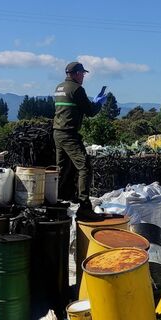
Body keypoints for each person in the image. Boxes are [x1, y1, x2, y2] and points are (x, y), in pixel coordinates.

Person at [53, 61, 107, 221]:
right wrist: (98, 104)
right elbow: (90, 111)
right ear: (76, 73)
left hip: (57, 132)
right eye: (82, 73)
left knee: (62, 167)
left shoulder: (59, 88)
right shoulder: (77, 89)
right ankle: (84, 207)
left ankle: (59, 198)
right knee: (85, 167)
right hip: (69, 133)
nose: (83, 76)